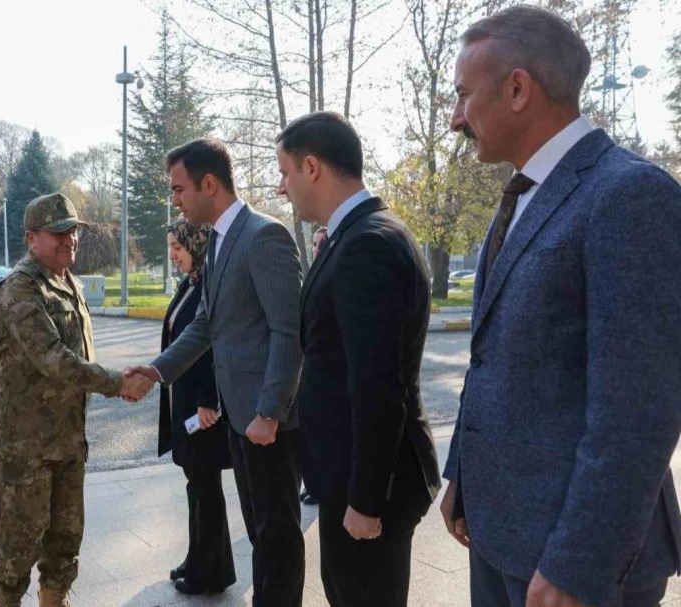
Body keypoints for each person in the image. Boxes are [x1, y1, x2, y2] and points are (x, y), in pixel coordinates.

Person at [441, 6, 681, 607]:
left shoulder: (629, 195)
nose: (454, 117)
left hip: (574, 566)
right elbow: (492, 358)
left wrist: (579, 564)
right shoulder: (526, 192)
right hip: (504, 538)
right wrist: (463, 478)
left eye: (465, 95)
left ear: (517, 88)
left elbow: (638, 412)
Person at [128, 137, 305, 607]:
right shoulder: (222, 240)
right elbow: (206, 323)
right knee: (261, 534)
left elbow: (288, 333)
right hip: (239, 419)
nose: (175, 199)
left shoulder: (264, 235)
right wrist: (157, 371)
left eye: (179, 189)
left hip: (267, 423)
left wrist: (269, 411)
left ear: (210, 184)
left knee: (278, 538)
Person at [277, 111, 441, 607]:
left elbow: (378, 387)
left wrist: (365, 500)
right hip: (347, 476)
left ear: (312, 167)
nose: (283, 188)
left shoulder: (368, 244)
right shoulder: (355, 235)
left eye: (284, 173)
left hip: (368, 488)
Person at [0, 193, 153, 607]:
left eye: (72, 232)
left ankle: (54, 600)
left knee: (64, 540)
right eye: (58, 234)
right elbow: (54, 360)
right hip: (24, 444)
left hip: (66, 437)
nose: (69, 241)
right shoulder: (20, 289)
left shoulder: (67, 282)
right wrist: (118, 383)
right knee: (18, 549)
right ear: (31, 238)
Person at [159, 217, 236, 596]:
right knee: (197, 484)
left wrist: (210, 399)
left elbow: (212, 341)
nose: (173, 254)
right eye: (171, 247)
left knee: (205, 486)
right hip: (186, 401)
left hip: (201, 407)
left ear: (197, 244)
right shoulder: (191, 282)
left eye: (178, 247)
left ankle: (211, 572)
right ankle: (198, 559)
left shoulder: (209, 283)